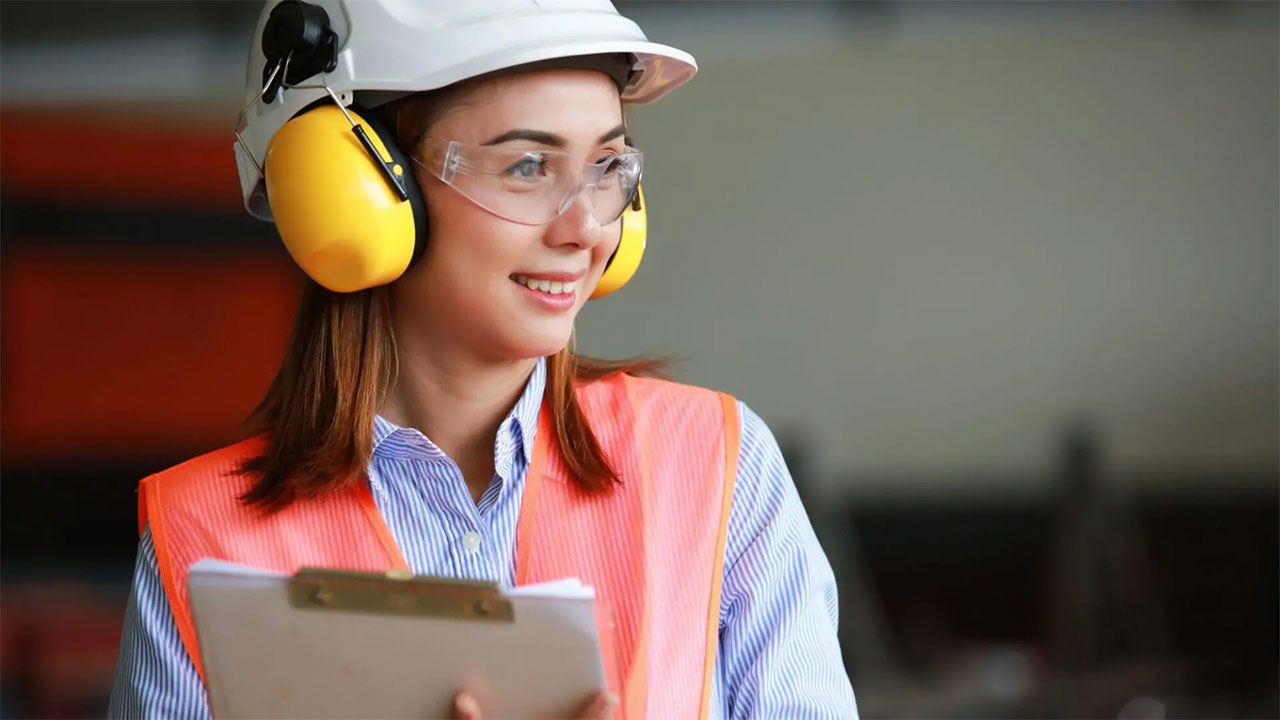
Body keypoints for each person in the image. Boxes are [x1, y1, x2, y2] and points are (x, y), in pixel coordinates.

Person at [108, 1, 858, 717]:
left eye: (606, 167)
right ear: (357, 190)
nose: (585, 228)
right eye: (528, 166)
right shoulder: (201, 533)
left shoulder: (716, 465)